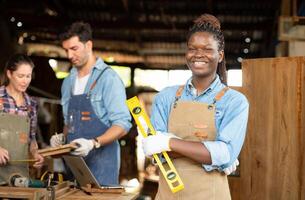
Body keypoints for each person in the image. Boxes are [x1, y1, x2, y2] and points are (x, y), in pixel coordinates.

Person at [142, 14, 249, 199]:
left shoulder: (234, 102)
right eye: (192, 49)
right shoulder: (166, 97)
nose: (198, 54)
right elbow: (156, 153)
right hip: (168, 195)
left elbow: (226, 154)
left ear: (220, 55)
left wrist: (168, 142)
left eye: (207, 49)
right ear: (186, 53)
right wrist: (210, 154)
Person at [50, 22, 131, 185]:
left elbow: (122, 124)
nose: (69, 55)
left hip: (102, 169)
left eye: (74, 48)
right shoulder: (68, 82)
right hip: (74, 169)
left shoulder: (108, 79)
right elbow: (70, 123)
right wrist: (62, 139)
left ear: (88, 45)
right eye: (66, 50)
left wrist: (93, 143)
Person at [0, 54, 44, 168]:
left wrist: (35, 154)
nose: (25, 81)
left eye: (28, 76)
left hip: (18, 170)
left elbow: (32, 138)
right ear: (9, 74)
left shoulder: (31, 104)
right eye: (20, 76)